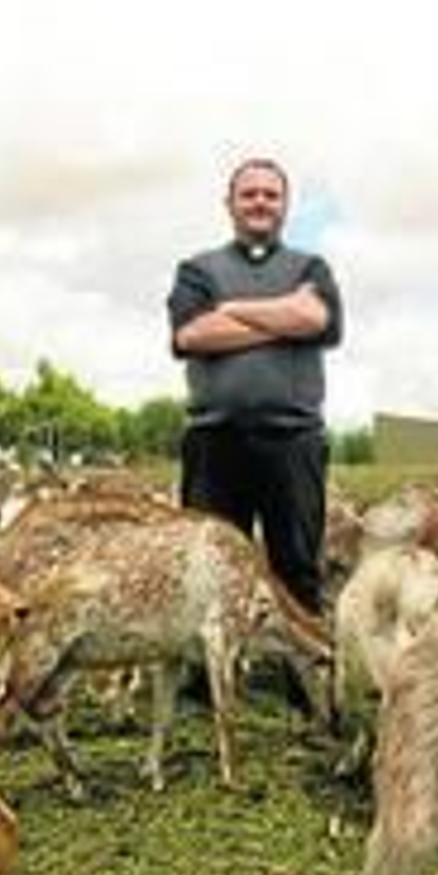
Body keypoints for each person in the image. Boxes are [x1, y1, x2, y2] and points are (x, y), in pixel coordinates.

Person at [167, 157, 344, 615]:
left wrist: (231, 309)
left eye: (271, 194)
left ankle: (299, 673)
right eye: (249, 194)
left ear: (286, 206)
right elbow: (190, 335)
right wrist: (286, 319)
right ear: (230, 204)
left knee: (297, 564)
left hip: (293, 441)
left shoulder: (312, 268)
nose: (260, 202)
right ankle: (206, 678)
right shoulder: (196, 270)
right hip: (214, 443)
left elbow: (320, 320)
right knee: (209, 566)